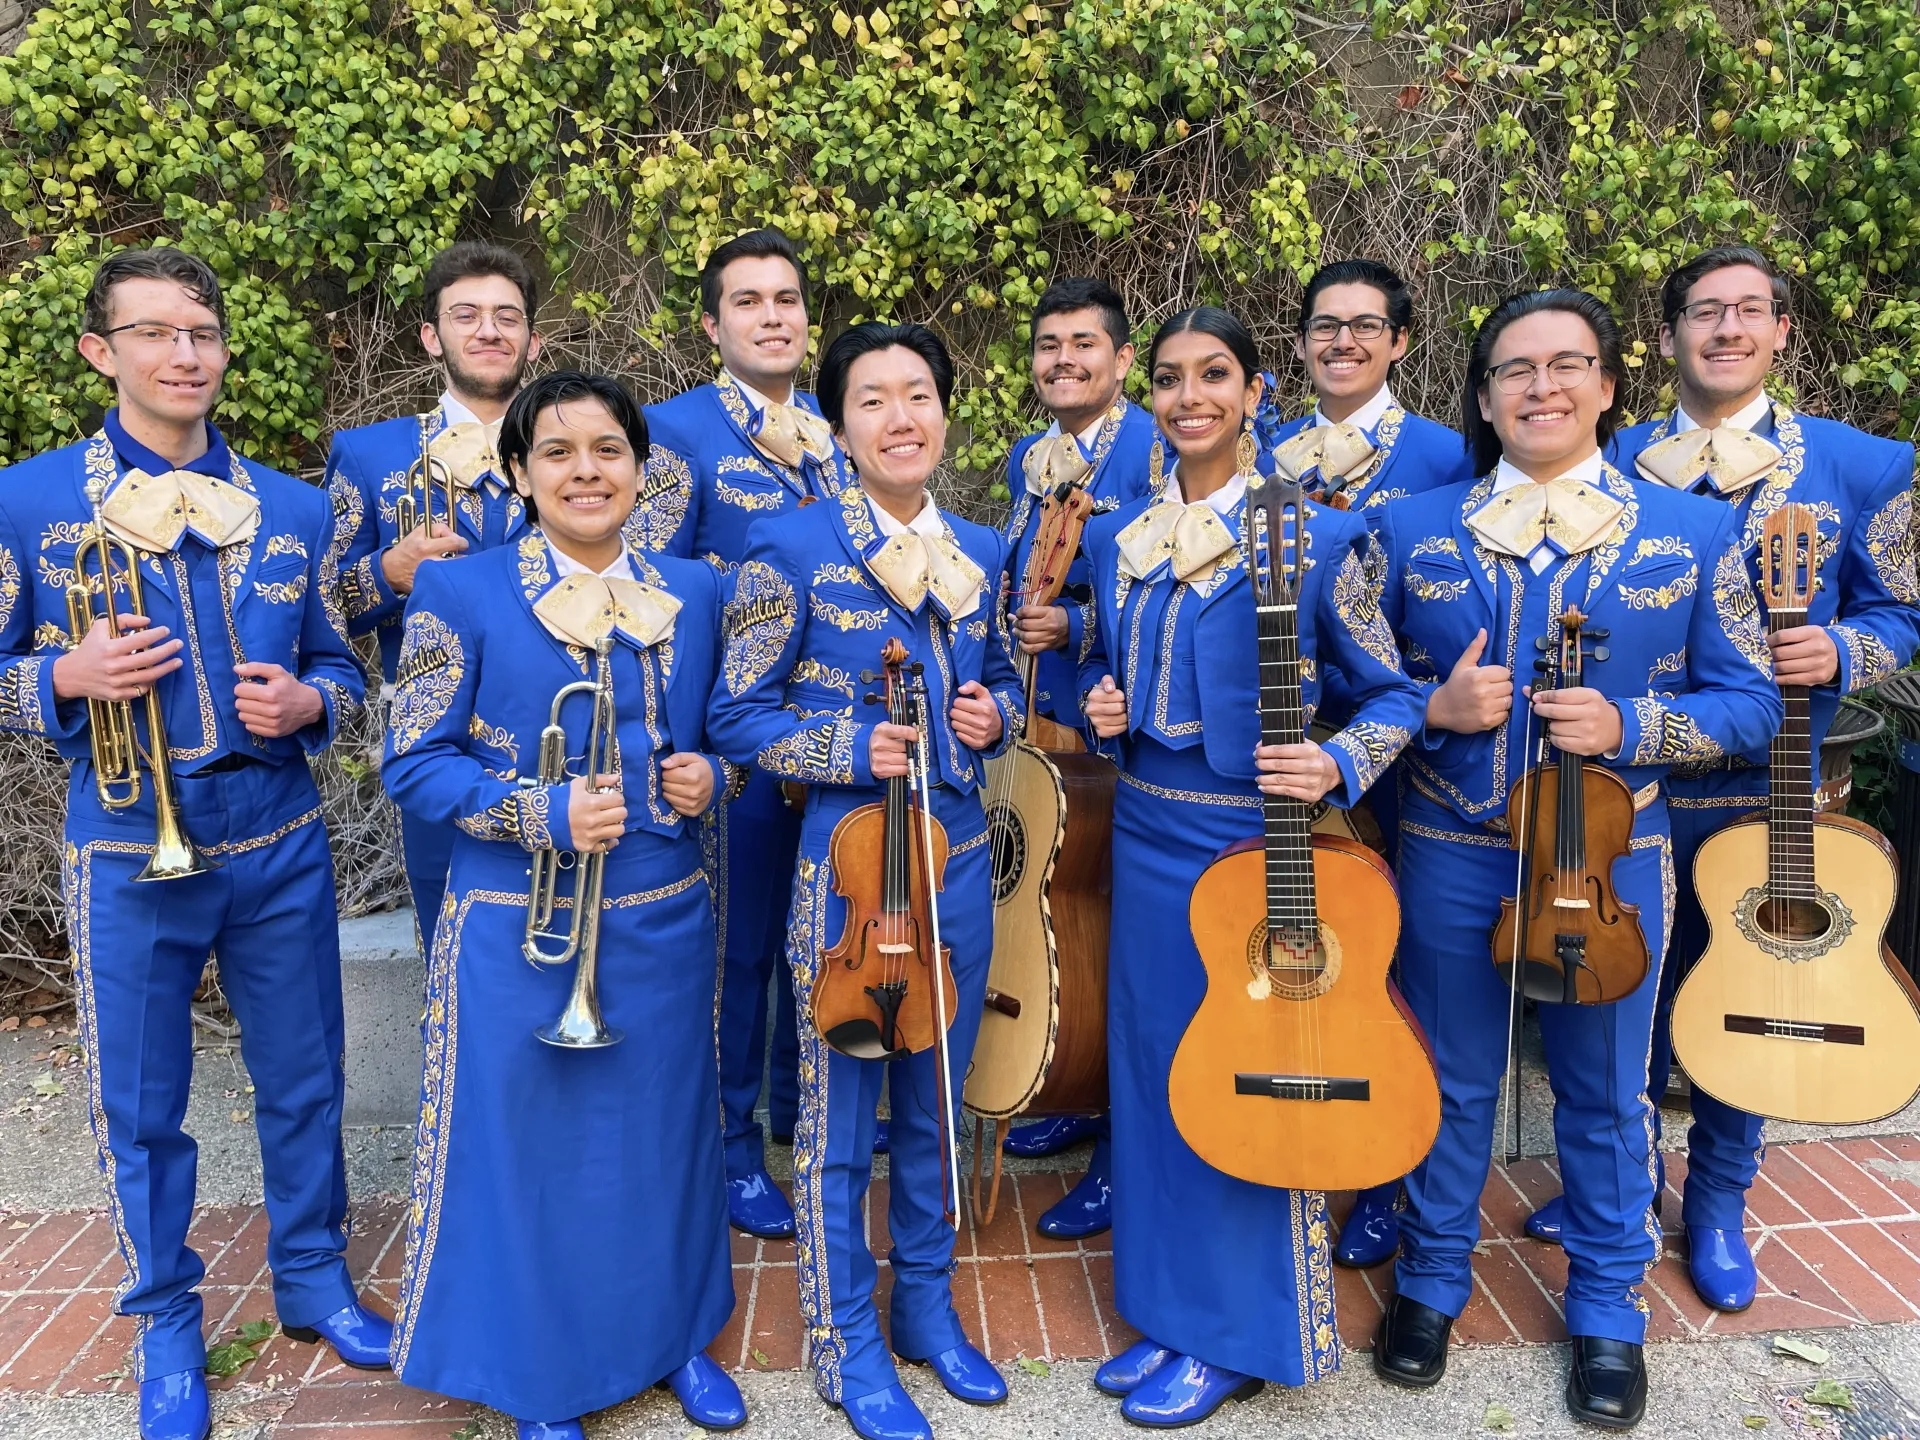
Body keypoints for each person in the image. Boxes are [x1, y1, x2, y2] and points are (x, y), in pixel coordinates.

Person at [1371, 288, 1783, 1428]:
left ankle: (1608, 1308)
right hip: (1452, 846)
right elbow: (1351, 693)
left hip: (1617, 859)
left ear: (1608, 385)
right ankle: (1430, 1278)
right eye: (1515, 369)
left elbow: (1752, 705)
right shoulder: (1412, 529)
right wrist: (1432, 705)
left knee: (1607, 1096)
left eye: (1566, 366)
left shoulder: (1697, 532)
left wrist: (1634, 730)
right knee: (1451, 1079)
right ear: (1487, 395)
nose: (1541, 388)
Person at [0, 248, 384, 1440]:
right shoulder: (26, 500)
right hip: (123, 844)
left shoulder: (299, 506)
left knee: (306, 1075)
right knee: (143, 1100)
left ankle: (314, 1275)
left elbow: (346, 671)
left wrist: (314, 706)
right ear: (99, 352)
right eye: (157, 333)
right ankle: (167, 1314)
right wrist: (61, 673)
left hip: (276, 831)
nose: (187, 355)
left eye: (204, 333)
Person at [1518, 247, 1920, 1312]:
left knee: (1753, 995)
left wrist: (1841, 653)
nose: (1728, 329)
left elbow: (1905, 614)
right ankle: (1624, 1185)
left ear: (1784, 332)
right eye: (1704, 312)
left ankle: (1722, 1196)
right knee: (1623, 1002)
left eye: (1751, 311)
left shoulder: (1864, 465)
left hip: (1767, 784)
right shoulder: (1611, 461)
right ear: (1666, 338)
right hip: (1630, 788)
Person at [1072, 304, 1425, 1428]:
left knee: (1247, 1078)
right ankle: (1171, 1313)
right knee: (1152, 1073)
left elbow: (1399, 691)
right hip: (1143, 833)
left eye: (1214, 375)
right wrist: (1095, 702)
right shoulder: (1112, 536)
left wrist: (1334, 760)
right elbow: (1085, 667)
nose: (1189, 398)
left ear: (1256, 390)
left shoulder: (1317, 535)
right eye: (1169, 379)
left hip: (1251, 846)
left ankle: (1246, 1332)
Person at [381, 372, 745, 1440]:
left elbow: (724, 737)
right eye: (557, 452)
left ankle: (674, 1336)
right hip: (514, 921)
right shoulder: (461, 593)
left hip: (664, 912)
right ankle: (542, 1374)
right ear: (521, 474)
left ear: (641, 469)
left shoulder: (699, 589)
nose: (586, 471)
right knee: (531, 1153)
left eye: (607, 450)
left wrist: (709, 778)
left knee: (663, 1140)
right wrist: (535, 809)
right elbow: (413, 764)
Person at [706, 321, 1022, 1440]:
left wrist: (993, 718)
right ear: (837, 425)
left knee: (935, 1099)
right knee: (842, 1111)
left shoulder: (982, 545)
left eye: (921, 395)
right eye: (875, 399)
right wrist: (847, 751)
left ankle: (927, 1309)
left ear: (946, 412)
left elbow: (1003, 693)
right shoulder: (785, 549)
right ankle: (845, 1340)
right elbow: (735, 719)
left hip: (962, 862)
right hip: (844, 879)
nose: (902, 418)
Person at [637, 227, 852, 1240]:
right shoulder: (675, 436)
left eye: (788, 299)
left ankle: (799, 1111)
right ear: (713, 323)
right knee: (739, 952)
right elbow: (643, 589)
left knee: (817, 935)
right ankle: (729, 1150)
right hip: (732, 742)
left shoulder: (837, 427)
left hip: (834, 740)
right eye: (751, 301)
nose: (774, 317)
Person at [1266, 257, 1479, 1270]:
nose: (1341, 341)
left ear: (1400, 343)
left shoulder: (1445, 456)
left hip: (1408, 749)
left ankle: (1393, 1172)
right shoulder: (1265, 454)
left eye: (1364, 326)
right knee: (1298, 951)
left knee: (1393, 969)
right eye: (1323, 325)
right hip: (1284, 750)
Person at [995, 275, 1159, 1239]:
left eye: (1084, 344)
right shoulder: (1032, 458)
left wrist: (1082, 622)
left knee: (1118, 927)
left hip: (1115, 720)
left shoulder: (1156, 448)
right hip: (1039, 720)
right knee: (1060, 914)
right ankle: (1064, 1078)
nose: (1065, 360)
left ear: (1122, 359)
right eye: (1049, 345)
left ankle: (1115, 1149)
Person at [326, 242, 543, 947]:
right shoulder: (369, 454)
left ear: (533, 342)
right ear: (432, 337)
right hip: (435, 743)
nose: (489, 331)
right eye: (466, 315)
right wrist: (387, 574)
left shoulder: (578, 447)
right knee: (454, 951)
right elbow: (318, 611)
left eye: (507, 317)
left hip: (568, 733)